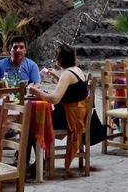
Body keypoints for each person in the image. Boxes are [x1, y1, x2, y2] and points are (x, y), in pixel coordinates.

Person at [28, 45, 88, 175]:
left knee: (33, 124)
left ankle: (39, 162)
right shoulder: (77, 70)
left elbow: (55, 99)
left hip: (68, 118)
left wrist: (36, 91)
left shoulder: (67, 74)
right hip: (77, 114)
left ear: (59, 60)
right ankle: (41, 160)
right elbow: (71, 89)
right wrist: (56, 76)